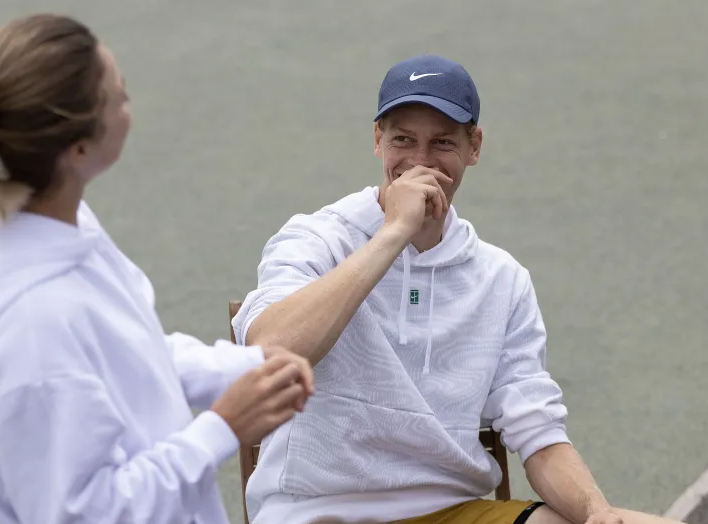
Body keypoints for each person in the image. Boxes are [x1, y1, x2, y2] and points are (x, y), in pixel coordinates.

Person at [231, 55, 683, 524]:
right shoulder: (315, 239)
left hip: (457, 514)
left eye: (442, 142)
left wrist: (596, 514)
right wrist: (392, 235)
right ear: (377, 140)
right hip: (316, 513)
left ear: (474, 146)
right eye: (403, 139)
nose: (420, 161)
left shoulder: (501, 280)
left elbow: (539, 434)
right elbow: (269, 349)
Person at [0, 13, 313, 524]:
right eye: (120, 96)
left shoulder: (57, 229)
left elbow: (127, 358)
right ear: (77, 148)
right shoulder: (33, 329)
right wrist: (223, 427)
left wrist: (240, 368)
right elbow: (86, 512)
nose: (129, 106)